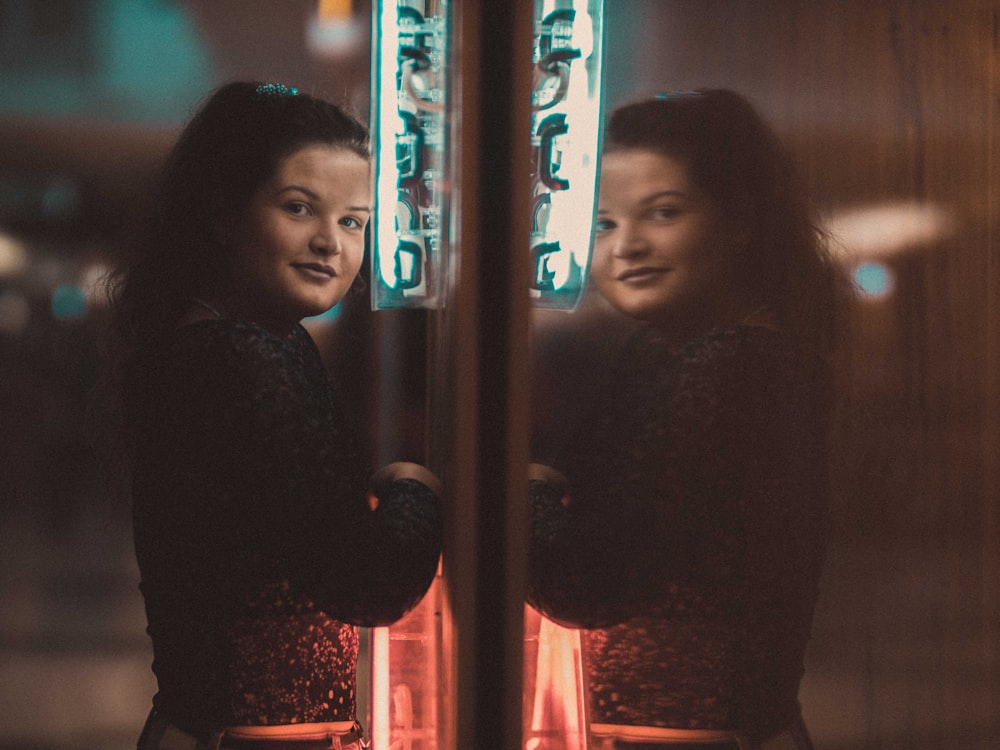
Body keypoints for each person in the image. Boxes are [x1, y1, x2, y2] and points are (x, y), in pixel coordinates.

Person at [105, 81, 442, 750]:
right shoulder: (239, 356)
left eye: (353, 221)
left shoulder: (238, 342)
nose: (330, 243)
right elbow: (365, 580)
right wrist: (417, 490)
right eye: (299, 208)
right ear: (226, 214)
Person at [528, 89, 843, 750]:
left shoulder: (730, 367)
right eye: (603, 223)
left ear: (738, 221)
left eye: (662, 213)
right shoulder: (674, 354)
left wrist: (515, 491)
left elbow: (597, 580)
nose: (628, 246)